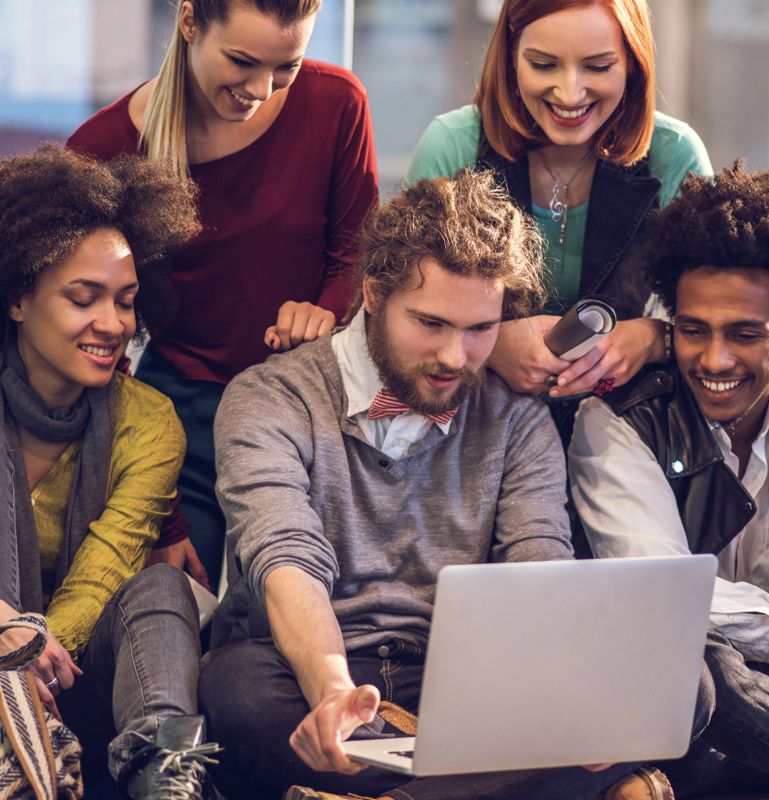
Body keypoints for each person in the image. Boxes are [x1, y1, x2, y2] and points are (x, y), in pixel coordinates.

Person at [199, 170, 711, 800]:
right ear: (373, 294)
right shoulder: (272, 397)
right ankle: (544, 784)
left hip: (463, 683)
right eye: (431, 323)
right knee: (234, 688)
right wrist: (333, 691)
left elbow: (538, 567)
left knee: (686, 683)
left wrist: (580, 693)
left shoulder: (515, 416)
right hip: (312, 668)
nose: (454, 357)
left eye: (480, 331)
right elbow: (286, 560)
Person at [67, 0, 379, 585]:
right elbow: (90, 329)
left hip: (309, 402)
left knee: (309, 599)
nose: (261, 89)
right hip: (178, 414)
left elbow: (355, 254)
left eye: (287, 65)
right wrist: (165, 517)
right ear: (189, 22)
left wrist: (324, 311)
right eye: (242, 61)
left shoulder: (337, 103)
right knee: (181, 605)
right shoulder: (104, 146)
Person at [569, 162, 769, 796]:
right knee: (693, 660)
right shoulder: (620, 421)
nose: (716, 359)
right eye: (694, 331)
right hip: (688, 698)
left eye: (746, 335)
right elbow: (666, 595)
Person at [0, 144, 220, 800]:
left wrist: (32, 651)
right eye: (83, 298)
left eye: (125, 301)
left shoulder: (149, 423)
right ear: (18, 299)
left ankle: (167, 776)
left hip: (74, 679)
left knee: (158, 586)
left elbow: (103, 576)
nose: (113, 324)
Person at [406, 0, 711, 410]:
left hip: (628, 423)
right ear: (511, 58)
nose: (570, 93)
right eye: (544, 65)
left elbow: (719, 313)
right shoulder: (452, 144)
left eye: (598, 67)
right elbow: (394, 308)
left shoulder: (675, 155)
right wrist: (488, 345)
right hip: (476, 421)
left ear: (633, 65)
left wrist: (654, 337)